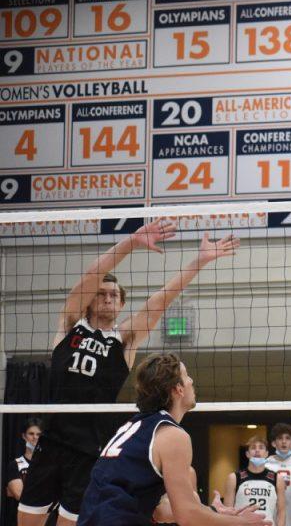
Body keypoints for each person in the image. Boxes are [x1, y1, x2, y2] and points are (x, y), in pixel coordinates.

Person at [20, 223, 241, 526]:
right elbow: (91, 275)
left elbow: (159, 302)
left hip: (89, 450)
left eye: (114, 295)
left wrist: (199, 261)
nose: (108, 299)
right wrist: (132, 242)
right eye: (101, 294)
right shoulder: (71, 324)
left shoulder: (123, 340)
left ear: (122, 303)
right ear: (89, 300)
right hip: (52, 440)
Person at [75, 352, 265, 525]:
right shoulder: (172, 435)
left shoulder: (133, 427)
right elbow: (187, 517)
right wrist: (244, 523)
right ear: (178, 389)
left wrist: (214, 512)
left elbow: (162, 512)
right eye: (186, 376)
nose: (191, 381)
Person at [221, 437, 286, 526]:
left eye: (261, 447)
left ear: (267, 453)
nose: (257, 450)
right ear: (247, 454)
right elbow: (227, 513)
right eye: (253, 447)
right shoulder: (234, 478)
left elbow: (281, 512)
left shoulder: (277, 479)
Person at [265, 423, 291, 526]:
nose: (284, 442)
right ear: (274, 443)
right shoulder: (264, 465)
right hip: (268, 522)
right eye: (280, 438)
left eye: (287, 438)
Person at [6, 418, 43, 502]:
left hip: (47, 514)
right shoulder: (15, 465)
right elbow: (20, 496)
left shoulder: (51, 464)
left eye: (39, 434)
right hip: (22, 513)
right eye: (31, 434)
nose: (35, 437)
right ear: (24, 436)